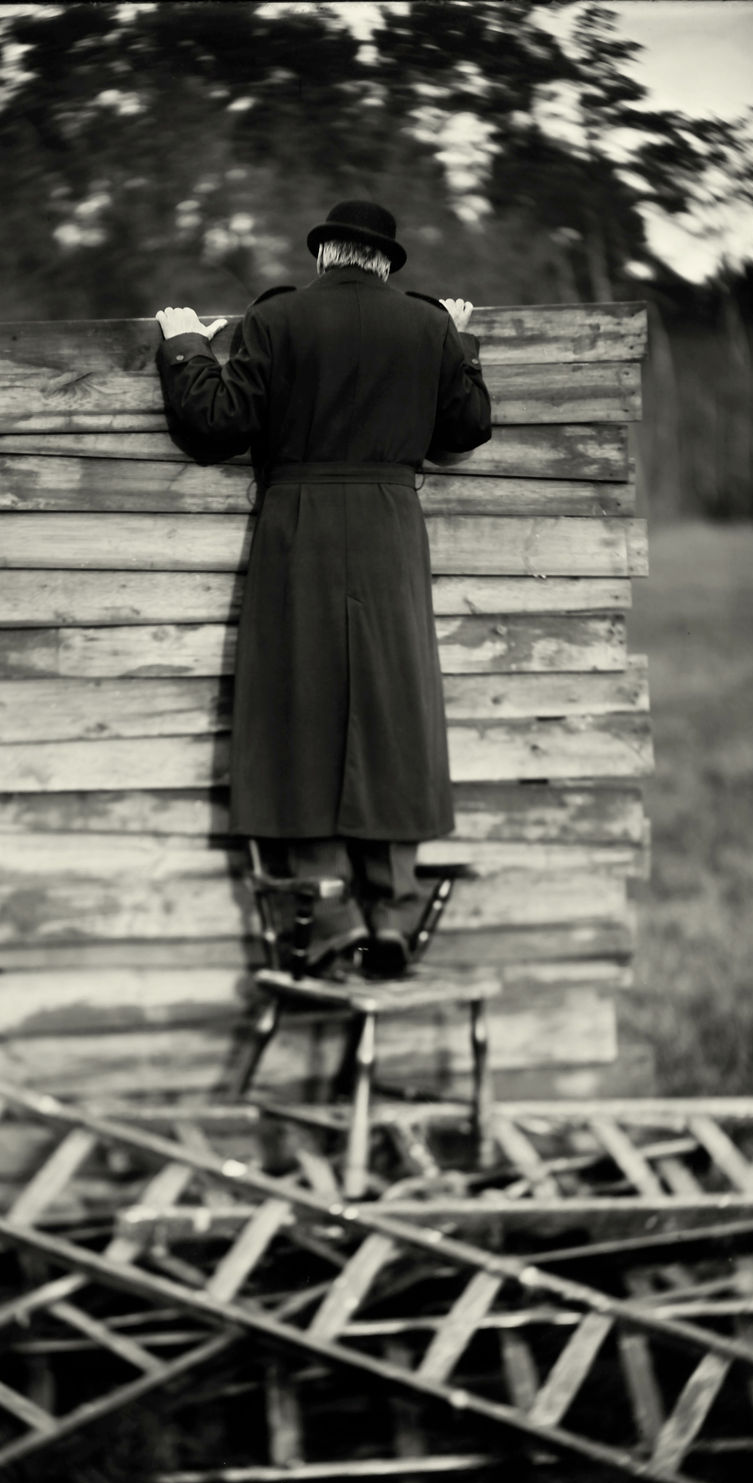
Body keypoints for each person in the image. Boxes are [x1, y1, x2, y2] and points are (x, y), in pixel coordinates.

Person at [155, 199, 492, 977]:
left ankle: (323, 913)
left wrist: (182, 347)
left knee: (300, 704)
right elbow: (465, 427)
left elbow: (213, 426)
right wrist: (460, 341)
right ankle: (392, 918)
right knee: (389, 713)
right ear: (383, 263)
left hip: (298, 525)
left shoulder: (278, 319)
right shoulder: (426, 328)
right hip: (388, 529)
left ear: (325, 256)